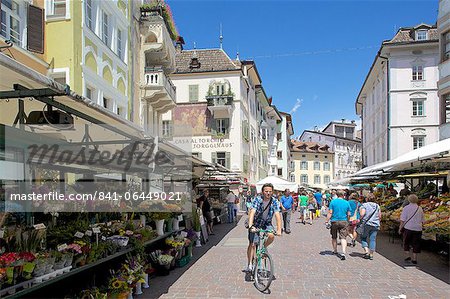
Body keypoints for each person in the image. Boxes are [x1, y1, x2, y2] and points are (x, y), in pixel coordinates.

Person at [244, 183, 282, 272]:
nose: (268, 193)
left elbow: (277, 215)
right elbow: (252, 212)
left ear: (272, 192)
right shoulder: (258, 199)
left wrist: (279, 229)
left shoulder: (274, 201)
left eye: (270, 191)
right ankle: (250, 263)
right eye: (266, 191)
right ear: (262, 192)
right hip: (255, 223)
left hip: (266, 223)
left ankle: (263, 248)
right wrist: (250, 226)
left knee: (271, 236)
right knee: (252, 244)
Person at [398, 194, 424, 265]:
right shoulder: (420, 208)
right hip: (418, 228)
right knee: (416, 243)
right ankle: (414, 258)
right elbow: (422, 220)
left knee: (406, 242)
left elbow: (402, 220)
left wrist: (400, 228)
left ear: (409, 200)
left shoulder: (406, 208)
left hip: (408, 228)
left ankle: (407, 256)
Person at [325, 190, 351, 260]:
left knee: (334, 237)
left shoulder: (333, 202)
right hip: (344, 221)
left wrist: (326, 221)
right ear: (343, 195)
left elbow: (330, 213)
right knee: (343, 237)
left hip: (334, 221)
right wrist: (348, 221)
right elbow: (349, 214)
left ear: (337, 195)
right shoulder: (346, 202)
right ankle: (343, 252)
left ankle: (335, 250)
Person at [359, 194, 381, 260]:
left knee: (363, 237)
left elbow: (362, 214)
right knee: (373, 239)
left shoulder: (364, 205)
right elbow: (380, 216)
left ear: (367, 199)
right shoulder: (377, 206)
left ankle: (366, 251)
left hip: (367, 224)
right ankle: (371, 254)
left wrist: (360, 219)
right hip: (375, 224)